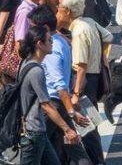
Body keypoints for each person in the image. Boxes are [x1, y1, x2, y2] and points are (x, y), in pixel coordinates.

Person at [18, 24, 80, 164]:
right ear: (40, 44)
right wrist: (67, 129)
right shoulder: (36, 71)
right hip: (33, 133)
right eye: (49, 40)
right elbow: (46, 105)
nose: (53, 42)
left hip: (37, 131)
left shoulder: (26, 63)